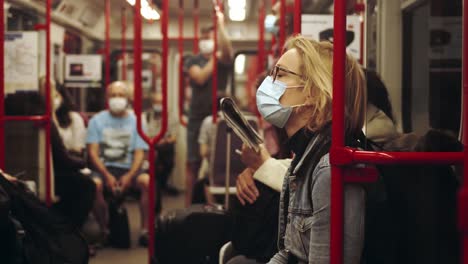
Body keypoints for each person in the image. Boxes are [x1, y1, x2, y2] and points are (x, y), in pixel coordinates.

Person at [236, 36, 367, 264]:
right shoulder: (304, 158)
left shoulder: (328, 168)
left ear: (312, 93)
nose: (269, 83)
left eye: (280, 74)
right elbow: (289, 253)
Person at [87, 81, 150, 247]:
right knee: (94, 184)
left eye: (121, 95)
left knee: (147, 182)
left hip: (130, 168)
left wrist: (130, 175)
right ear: (107, 98)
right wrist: (106, 175)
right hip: (104, 168)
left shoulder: (137, 121)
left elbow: (139, 153)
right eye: (113, 95)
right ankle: (104, 230)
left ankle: (145, 230)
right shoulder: (96, 121)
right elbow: (93, 152)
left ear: (127, 99)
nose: (117, 99)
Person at [184, 9, 233, 204]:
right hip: (196, 116)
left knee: (218, 160)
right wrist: (214, 57)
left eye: (211, 38)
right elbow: (200, 77)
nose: (207, 41)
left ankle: (216, 203)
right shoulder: (193, 59)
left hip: (218, 115)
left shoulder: (225, 58)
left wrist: (220, 23)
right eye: (205, 38)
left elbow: (228, 49)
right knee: (193, 162)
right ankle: (188, 205)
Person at [142, 91, 178, 214]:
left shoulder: (170, 117)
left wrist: (160, 141)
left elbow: (173, 137)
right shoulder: (146, 116)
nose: (158, 105)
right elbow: (143, 134)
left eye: (161, 102)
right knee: (154, 177)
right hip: (149, 148)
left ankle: (157, 203)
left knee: (158, 175)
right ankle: (157, 206)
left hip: (164, 149)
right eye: (156, 102)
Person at [53, 84, 87, 157]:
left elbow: (78, 149)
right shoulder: (42, 120)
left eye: (55, 96)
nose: (52, 100)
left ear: (62, 97)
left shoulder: (74, 118)